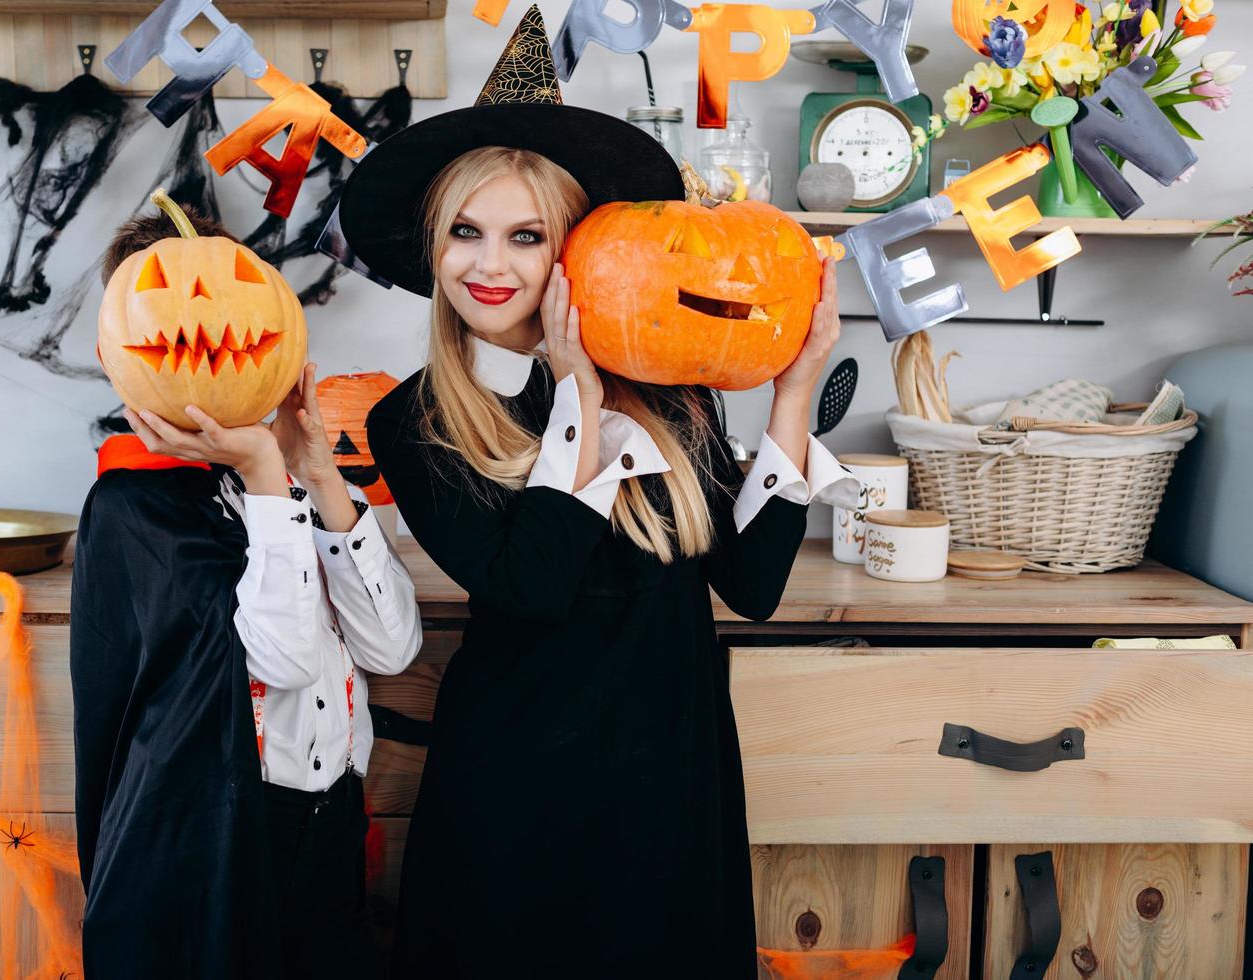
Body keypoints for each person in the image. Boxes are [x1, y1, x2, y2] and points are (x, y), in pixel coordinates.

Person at [336, 7, 859, 977]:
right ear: (433, 243)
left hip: (671, 769)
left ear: (578, 250)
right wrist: (577, 397)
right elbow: (531, 584)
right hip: (517, 778)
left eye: (526, 236)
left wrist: (794, 390)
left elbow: (751, 583)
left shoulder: (670, 381)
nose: (489, 265)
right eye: (466, 231)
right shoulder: (410, 421)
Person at [73, 204, 422, 979]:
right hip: (228, 838)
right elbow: (289, 660)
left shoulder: (296, 485)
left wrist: (316, 473)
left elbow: (391, 646)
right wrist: (267, 475)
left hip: (333, 822)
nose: (212, 333)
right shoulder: (136, 506)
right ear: (125, 351)